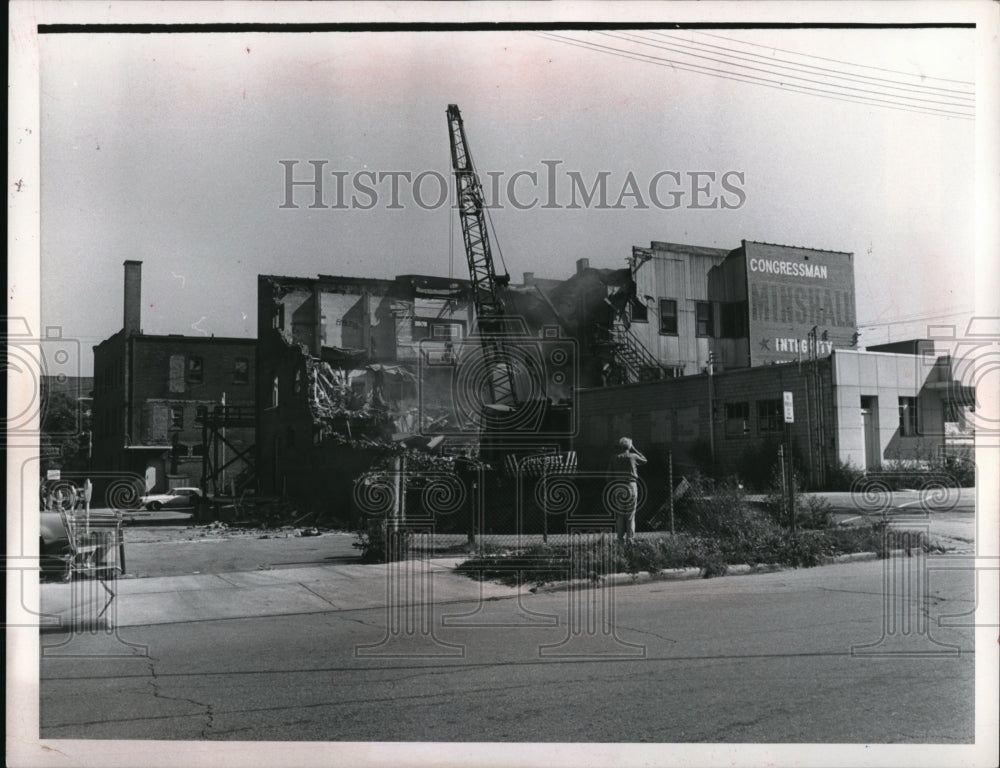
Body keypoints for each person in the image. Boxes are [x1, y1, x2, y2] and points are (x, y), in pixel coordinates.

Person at [607, 436, 647, 544]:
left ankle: (620, 539)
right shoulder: (633, 456)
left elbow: (608, 477)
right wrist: (634, 449)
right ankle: (630, 539)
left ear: (620, 446)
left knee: (620, 515)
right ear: (629, 446)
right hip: (631, 486)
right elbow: (644, 460)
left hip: (618, 487)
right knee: (630, 515)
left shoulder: (614, 458)